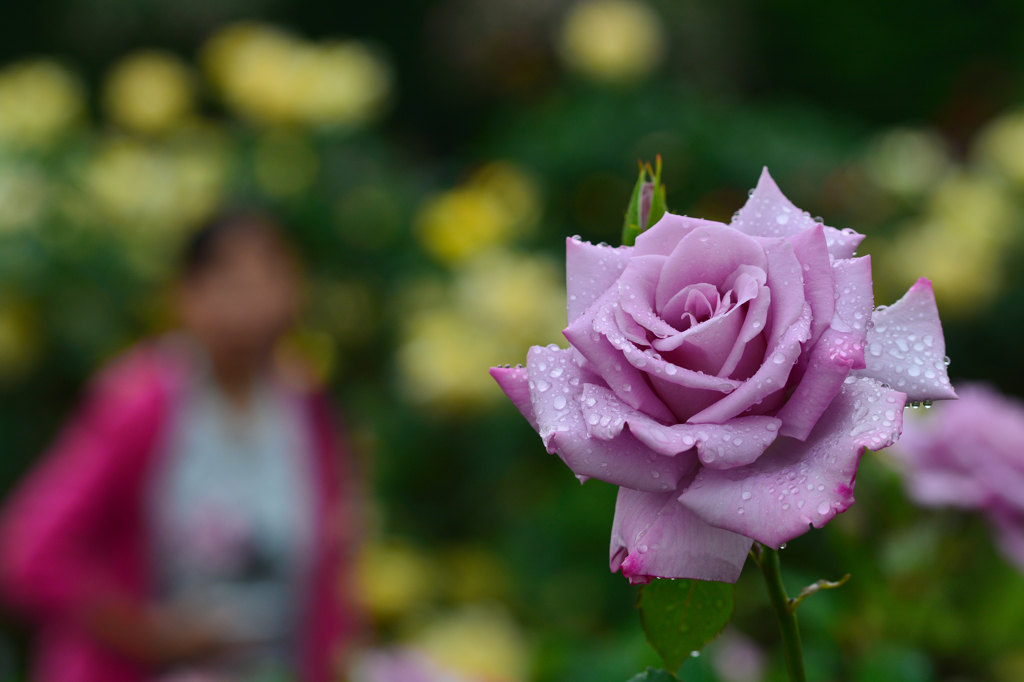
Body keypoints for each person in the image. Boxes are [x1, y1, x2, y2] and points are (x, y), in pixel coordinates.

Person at [0, 211, 361, 682]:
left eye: (271, 275)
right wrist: (148, 634)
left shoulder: (306, 410)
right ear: (185, 294)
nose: (253, 302)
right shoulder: (140, 403)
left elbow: (329, 574)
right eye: (231, 280)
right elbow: (31, 553)